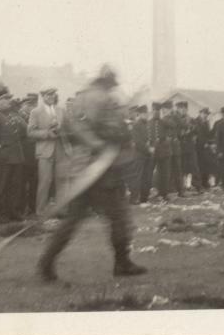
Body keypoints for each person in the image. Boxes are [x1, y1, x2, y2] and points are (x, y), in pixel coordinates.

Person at [37, 65, 147, 281]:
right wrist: (103, 143)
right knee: (119, 217)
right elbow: (110, 129)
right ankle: (122, 263)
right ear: (108, 82)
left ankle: (46, 262)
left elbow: (73, 128)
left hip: (81, 169)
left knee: (72, 219)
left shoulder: (81, 98)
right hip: (101, 171)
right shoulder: (103, 99)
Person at [28, 88, 71, 215]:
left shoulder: (61, 110)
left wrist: (61, 131)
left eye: (53, 94)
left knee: (62, 181)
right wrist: (47, 134)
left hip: (61, 149)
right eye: (48, 95)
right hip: (45, 150)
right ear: (43, 97)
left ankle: (62, 210)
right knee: (44, 182)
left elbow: (68, 129)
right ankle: (41, 211)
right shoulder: (35, 112)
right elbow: (30, 132)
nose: (51, 97)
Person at [0, 90, 28, 222]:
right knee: (2, 185)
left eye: (8, 100)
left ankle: (14, 211)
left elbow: (24, 133)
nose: (7, 102)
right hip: (3, 156)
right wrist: (0, 150)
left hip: (16, 155)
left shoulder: (15, 116)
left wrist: (18, 116)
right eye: (3, 100)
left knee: (16, 185)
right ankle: (1, 213)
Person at [19, 93, 40, 216]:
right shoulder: (20, 117)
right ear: (24, 105)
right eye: (28, 104)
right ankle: (22, 207)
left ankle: (32, 207)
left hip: (36, 154)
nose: (30, 107)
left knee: (34, 182)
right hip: (23, 154)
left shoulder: (38, 117)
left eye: (33, 104)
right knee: (22, 183)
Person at [177, 102, 203, 193]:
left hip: (190, 146)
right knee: (181, 168)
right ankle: (181, 188)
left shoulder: (191, 119)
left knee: (194, 167)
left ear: (187, 110)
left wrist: (190, 130)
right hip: (180, 147)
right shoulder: (176, 120)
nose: (183, 110)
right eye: (180, 108)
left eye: (184, 108)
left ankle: (198, 187)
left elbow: (196, 130)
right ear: (178, 110)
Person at [149, 102, 172, 201]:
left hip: (164, 152)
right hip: (153, 152)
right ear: (152, 111)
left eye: (158, 111)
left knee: (164, 173)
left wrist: (167, 115)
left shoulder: (164, 121)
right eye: (154, 110)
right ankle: (149, 192)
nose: (156, 112)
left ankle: (164, 193)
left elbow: (172, 126)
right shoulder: (149, 122)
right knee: (150, 173)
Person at [130, 105, 153, 204]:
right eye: (144, 114)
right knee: (137, 178)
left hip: (147, 155)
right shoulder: (136, 125)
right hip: (139, 155)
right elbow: (138, 142)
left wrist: (152, 147)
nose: (146, 115)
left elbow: (151, 138)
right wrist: (148, 149)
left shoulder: (147, 124)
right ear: (140, 114)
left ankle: (144, 197)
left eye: (147, 113)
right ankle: (134, 198)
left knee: (147, 177)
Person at [166, 102, 186, 197]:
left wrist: (175, 116)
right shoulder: (164, 119)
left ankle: (180, 191)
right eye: (167, 109)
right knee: (167, 169)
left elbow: (183, 125)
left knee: (178, 169)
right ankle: (167, 190)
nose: (168, 111)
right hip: (167, 146)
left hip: (175, 145)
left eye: (170, 109)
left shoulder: (175, 117)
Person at [195, 108, 215, 189]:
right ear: (200, 113)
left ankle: (205, 182)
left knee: (206, 165)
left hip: (205, 147)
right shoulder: (196, 121)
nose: (206, 115)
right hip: (198, 147)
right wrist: (204, 143)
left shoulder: (206, 122)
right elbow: (198, 135)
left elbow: (208, 135)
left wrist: (209, 143)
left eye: (207, 114)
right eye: (204, 113)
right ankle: (198, 184)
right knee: (199, 166)